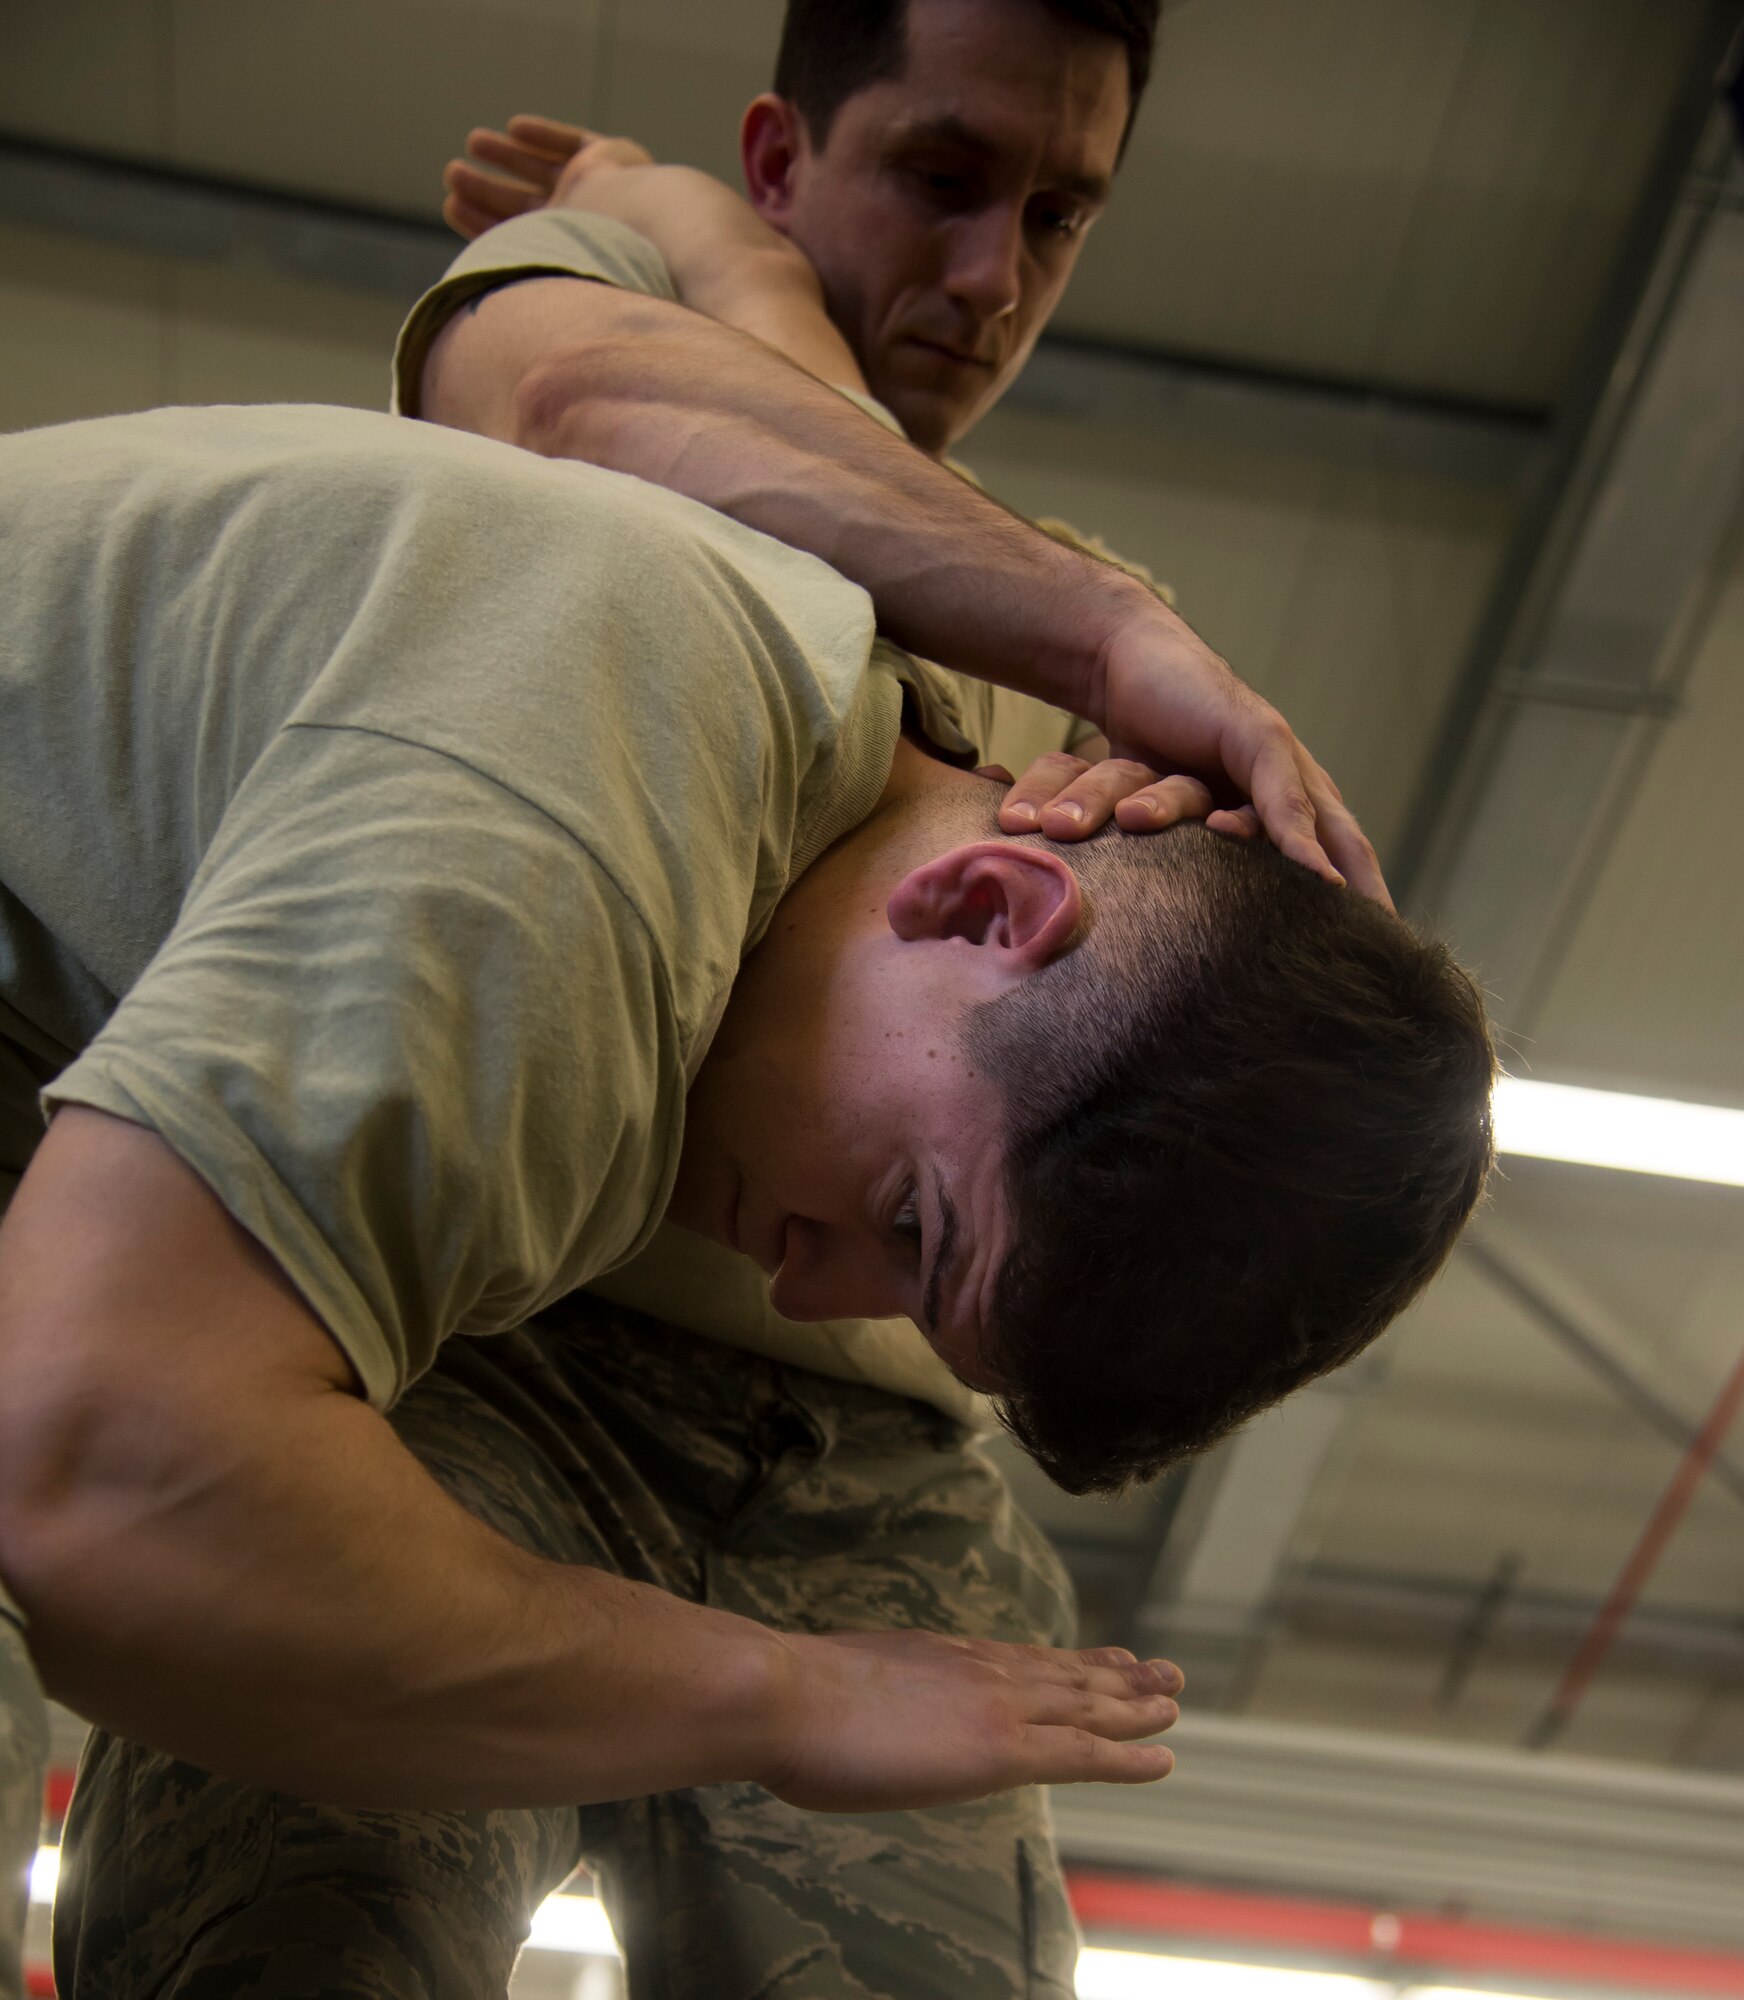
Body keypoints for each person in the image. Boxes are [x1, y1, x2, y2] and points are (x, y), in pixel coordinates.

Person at [16, 11, 1490, 2000]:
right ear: (789, 165)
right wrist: (672, 228)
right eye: (936, 179)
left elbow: (786, 450)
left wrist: (1141, 739)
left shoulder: (1022, 701)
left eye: (1057, 214)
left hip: (827, 1467)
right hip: (476, 1351)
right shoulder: (596, 706)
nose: (987, 278)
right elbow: (597, 408)